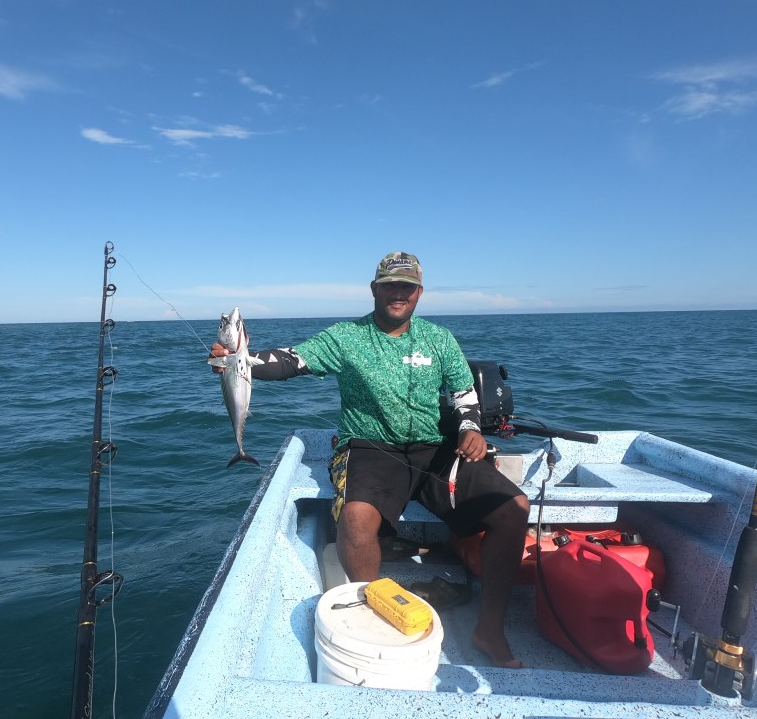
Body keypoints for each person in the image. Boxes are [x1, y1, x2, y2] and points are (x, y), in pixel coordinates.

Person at [209, 252, 530, 668]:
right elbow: (292, 361)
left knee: (513, 507)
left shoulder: (439, 338)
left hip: (435, 448)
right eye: (390, 285)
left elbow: (463, 391)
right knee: (357, 518)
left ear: (419, 292)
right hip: (368, 446)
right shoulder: (347, 336)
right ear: (374, 289)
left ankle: (489, 629)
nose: (398, 293)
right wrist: (237, 361)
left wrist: (470, 428)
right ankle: (373, 609)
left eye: (407, 287)